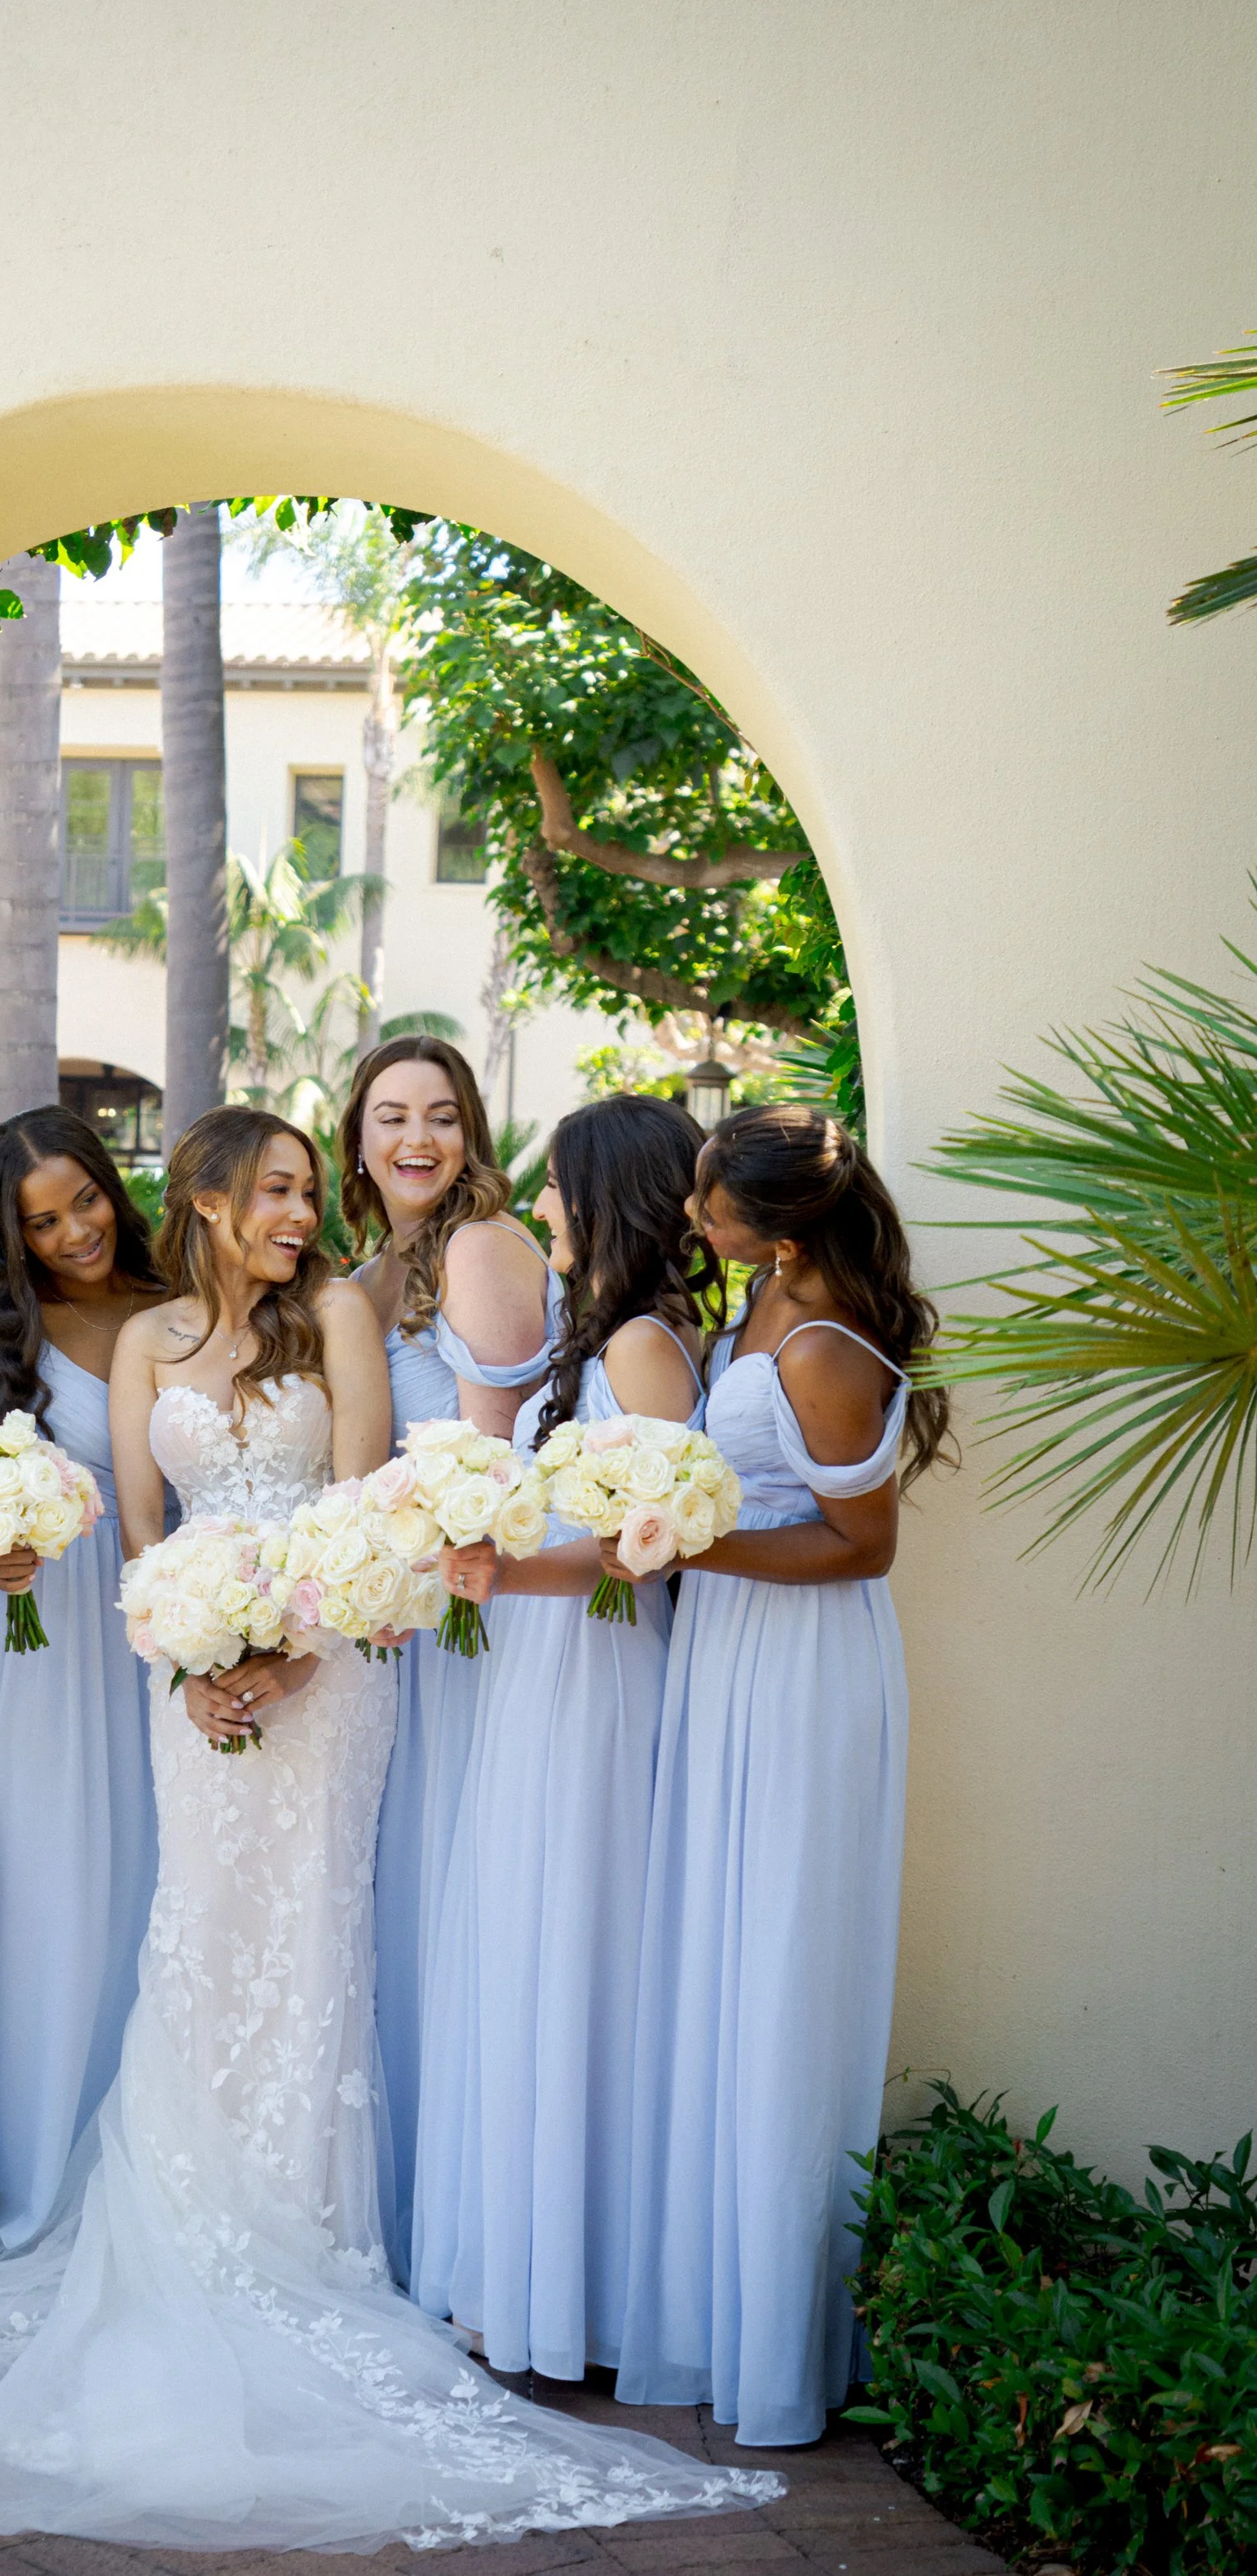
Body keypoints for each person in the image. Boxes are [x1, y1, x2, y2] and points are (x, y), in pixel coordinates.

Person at [0, 1106, 780, 2550]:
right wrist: (192, 1665)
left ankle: (311, 2235)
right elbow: (139, 1531)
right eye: (274, 1190)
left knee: (314, 1936)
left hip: (335, 1676)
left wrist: (290, 1656)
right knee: (200, 1940)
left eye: (310, 1189)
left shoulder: (340, 1325)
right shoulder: (145, 1343)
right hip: (190, 1693)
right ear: (199, 1198)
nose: (302, 1212)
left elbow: (371, 1513)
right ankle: (184, 2228)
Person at [615, 1101, 951, 2446]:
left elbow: (860, 1547)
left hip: (807, 1667)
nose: (697, 1220)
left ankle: (778, 2349)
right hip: (729, 1655)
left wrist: (690, 1551)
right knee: (719, 1960)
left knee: (782, 1968)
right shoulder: (760, 1308)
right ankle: (709, 2309)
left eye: (716, 1203)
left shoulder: (819, 1345)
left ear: (786, 1220)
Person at [413, 1094, 720, 2381]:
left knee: (578, 1951)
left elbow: (642, 1554)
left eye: (556, 1188)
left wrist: (498, 1571)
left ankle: (578, 2290)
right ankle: (523, 2271)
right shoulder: (590, 1342)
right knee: (528, 1943)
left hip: (595, 1668)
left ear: (609, 1196)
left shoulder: (647, 1345)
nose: (538, 1208)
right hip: (549, 1670)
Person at [0, 1107, 167, 2246]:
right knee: (42, 1889)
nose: (73, 1229)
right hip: (36, 1633)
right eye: (41, 1219)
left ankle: (139, 2155)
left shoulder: (179, 1299)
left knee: (145, 1880)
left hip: (162, 1619)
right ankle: (20, 2167)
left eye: (83, 1199)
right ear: (11, 1236)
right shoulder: (0, 1328)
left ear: (113, 1188)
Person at [340, 1033, 555, 2259]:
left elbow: (487, 1464)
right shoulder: (368, 1276)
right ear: (357, 1140)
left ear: (470, 1131)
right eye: (389, 1117)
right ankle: (425, 2203)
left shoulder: (481, 1248)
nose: (415, 1138)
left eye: (438, 1115)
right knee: (412, 1891)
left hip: (484, 1611)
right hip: (409, 1622)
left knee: (473, 1883)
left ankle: (482, 2229)